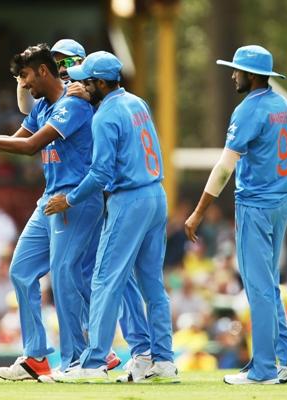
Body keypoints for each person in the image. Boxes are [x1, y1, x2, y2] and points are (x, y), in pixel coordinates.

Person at [0, 43, 104, 380]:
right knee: (22, 270)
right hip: (50, 200)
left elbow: (30, 147)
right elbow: (16, 140)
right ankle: (36, 357)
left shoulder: (73, 106)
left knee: (64, 276)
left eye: (25, 76)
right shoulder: (43, 107)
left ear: (43, 71)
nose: (24, 84)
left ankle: (77, 361)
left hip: (74, 199)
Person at [44, 51, 179, 384]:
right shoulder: (136, 103)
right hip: (156, 195)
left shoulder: (104, 116)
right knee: (152, 284)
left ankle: (93, 363)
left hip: (129, 199)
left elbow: (100, 173)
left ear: (101, 84)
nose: (79, 85)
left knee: (105, 279)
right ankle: (163, 360)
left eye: (85, 81)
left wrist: (70, 199)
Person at [184, 45, 287, 385]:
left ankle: (264, 369)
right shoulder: (283, 106)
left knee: (258, 288)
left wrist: (198, 212)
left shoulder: (248, 109)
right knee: (267, 284)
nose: (233, 74)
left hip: (256, 204)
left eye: (237, 70)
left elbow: (225, 168)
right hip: (282, 201)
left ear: (251, 75)